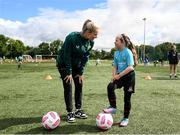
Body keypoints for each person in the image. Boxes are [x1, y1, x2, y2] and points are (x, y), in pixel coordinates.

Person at [56, 19, 99, 123]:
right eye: (95, 34)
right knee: (68, 85)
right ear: (88, 32)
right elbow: (67, 56)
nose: (96, 37)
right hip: (64, 64)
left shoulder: (91, 42)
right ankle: (70, 112)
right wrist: (69, 72)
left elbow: (85, 57)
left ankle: (78, 110)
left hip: (77, 65)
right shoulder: (71, 38)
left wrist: (80, 72)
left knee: (79, 83)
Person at [103, 34, 138, 127]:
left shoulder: (128, 52)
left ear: (122, 42)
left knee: (127, 99)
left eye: (116, 40)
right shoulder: (116, 53)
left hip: (129, 77)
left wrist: (119, 75)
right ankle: (113, 107)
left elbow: (131, 67)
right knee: (110, 86)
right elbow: (114, 65)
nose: (115, 42)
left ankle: (125, 118)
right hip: (120, 76)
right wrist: (114, 76)